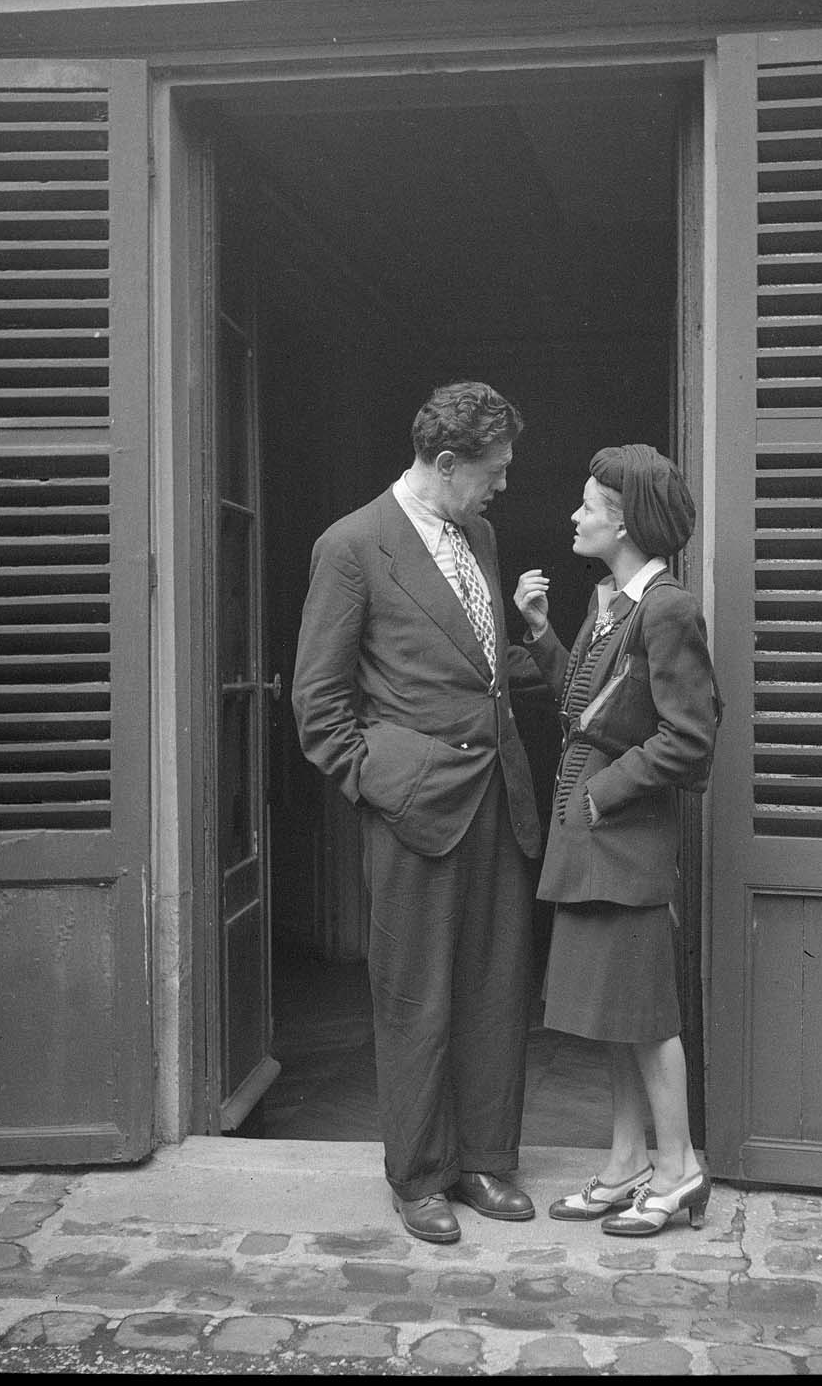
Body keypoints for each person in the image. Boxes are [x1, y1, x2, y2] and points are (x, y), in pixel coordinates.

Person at [292, 381, 543, 1246]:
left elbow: (478, 661)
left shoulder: (479, 533)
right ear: (445, 462)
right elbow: (318, 704)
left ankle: (480, 1160)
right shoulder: (353, 546)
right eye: (494, 470)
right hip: (413, 809)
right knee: (415, 997)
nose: (503, 485)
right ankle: (419, 1175)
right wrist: (380, 781)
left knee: (493, 987)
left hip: (496, 796)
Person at [513, 444, 719, 1236]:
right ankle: (628, 1160)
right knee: (612, 1010)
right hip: (592, 833)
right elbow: (589, 708)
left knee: (647, 1014)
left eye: (589, 504)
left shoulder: (666, 607)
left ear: (625, 520)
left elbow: (690, 738)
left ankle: (679, 1169)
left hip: (622, 833)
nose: (574, 515)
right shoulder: (611, 601)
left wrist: (602, 793)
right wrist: (539, 636)